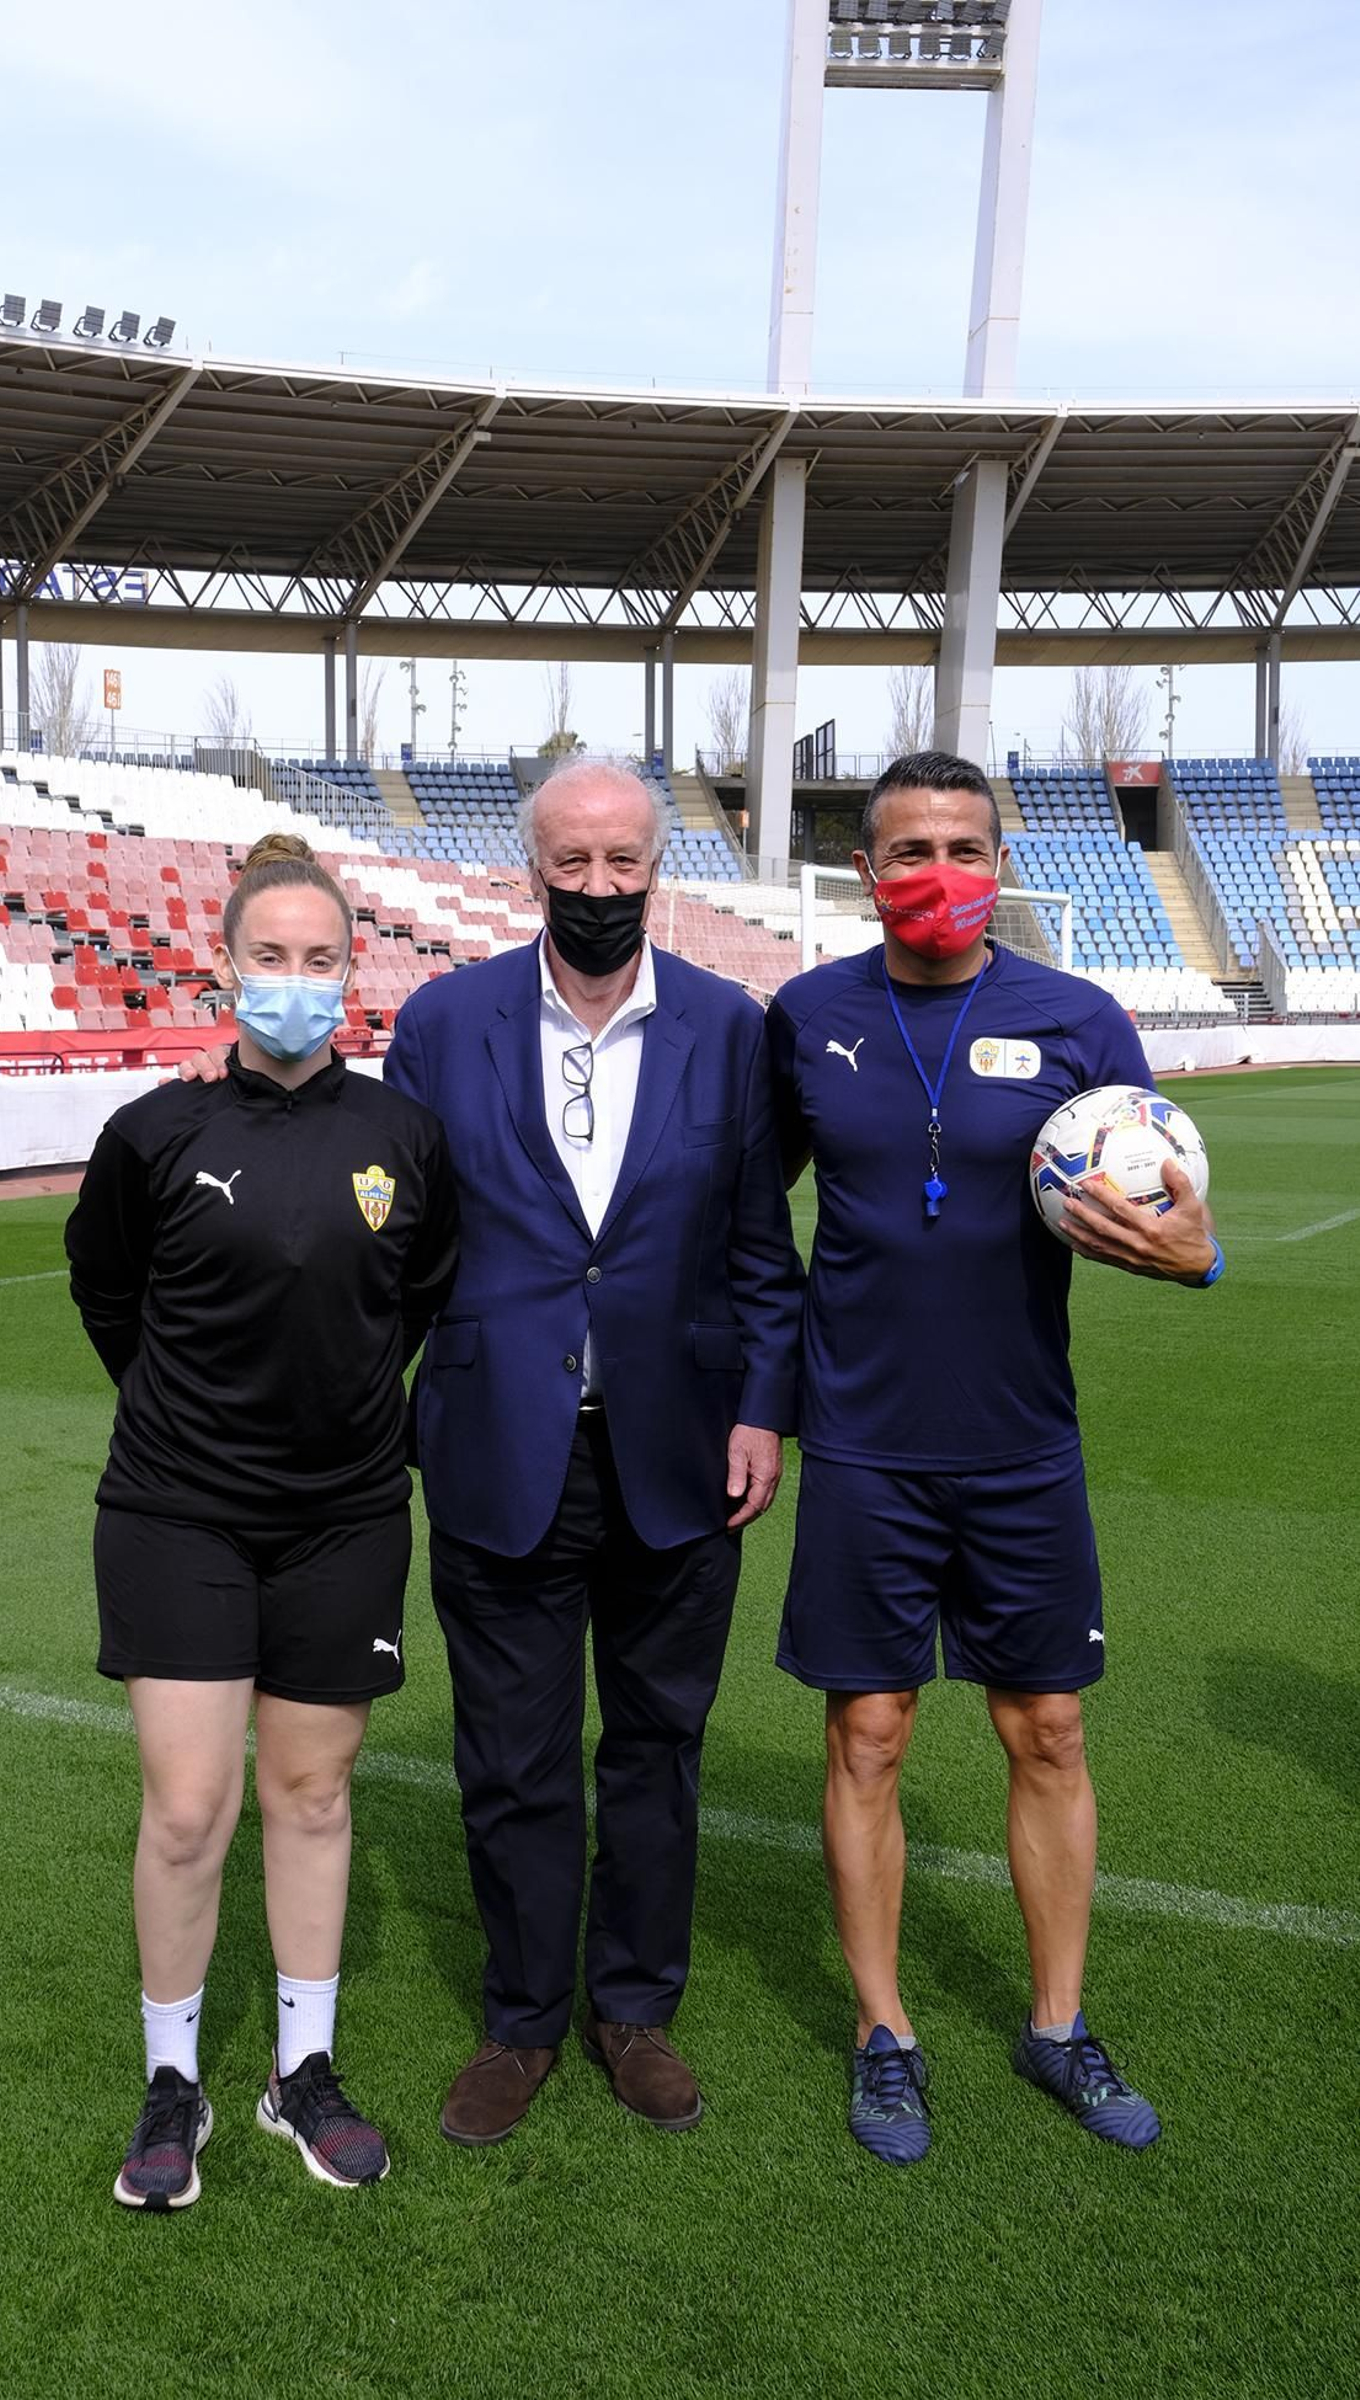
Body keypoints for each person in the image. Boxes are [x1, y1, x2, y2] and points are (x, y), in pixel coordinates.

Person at [766, 749, 1223, 2168]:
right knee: (870, 1735)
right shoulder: (805, 1017)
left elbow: (1161, 1203)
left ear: (1003, 864)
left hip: (1023, 1442)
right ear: (866, 872)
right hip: (863, 1447)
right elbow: (746, 1231)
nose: (939, 875)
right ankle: (884, 2034)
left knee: (1050, 1730)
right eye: (909, 851)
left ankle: (1057, 2022)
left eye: (965, 847)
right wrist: (757, 1408)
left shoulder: (1078, 1019)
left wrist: (1196, 1254)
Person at [386, 757, 802, 2144]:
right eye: (574, 863)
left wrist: (760, 1407)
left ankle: (632, 2010)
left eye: (624, 863)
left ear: (656, 869)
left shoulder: (732, 1031)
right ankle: (520, 2024)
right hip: (500, 1446)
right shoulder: (443, 1025)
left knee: (657, 1746)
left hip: (679, 1451)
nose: (600, 887)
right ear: (532, 868)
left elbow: (760, 1248)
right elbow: (401, 1248)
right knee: (510, 1757)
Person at [66, 831, 457, 2210]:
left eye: (321, 959)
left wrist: (332, 1418)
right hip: (178, 1512)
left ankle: (304, 2068)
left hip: (346, 1516)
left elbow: (412, 1302)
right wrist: (197, 1424)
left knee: (312, 1793)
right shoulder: (154, 1136)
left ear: (354, 973)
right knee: (186, 1809)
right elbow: (108, 1299)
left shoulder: (403, 1138)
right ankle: (174, 2081)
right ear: (225, 966)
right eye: (270, 958)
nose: (295, 981)